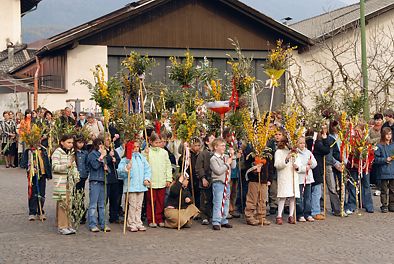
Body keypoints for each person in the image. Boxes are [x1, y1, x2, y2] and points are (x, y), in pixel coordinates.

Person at [118, 140, 151, 232]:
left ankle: (138, 221)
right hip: (131, 186)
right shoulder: (126, 159)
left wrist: (147, 178)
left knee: (139, 205)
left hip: (141, 186)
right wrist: (126, 169)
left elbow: (147, 169)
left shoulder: (141, 158)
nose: (136, 149)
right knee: (132, 205)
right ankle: (131, 222)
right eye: (134, 147)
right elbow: (120, 171)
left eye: (137, 147)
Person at [52, 134, 79, 235]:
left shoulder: (71, 153)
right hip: (60, 182)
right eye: (68, 142)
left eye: (72, 143)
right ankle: (62, 226)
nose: (71, 144)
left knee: (69, 204)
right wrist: (66, 166)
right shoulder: (57, 153)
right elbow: (54, 167)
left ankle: (68, 224)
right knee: (62, 204)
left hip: (69, 181)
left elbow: (74, 166)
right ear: (62, 142)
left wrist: (76, 176)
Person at [143, 132, 172, 228]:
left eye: (159, 142)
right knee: (150, 201)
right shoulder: (147, 152)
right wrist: (144, 152)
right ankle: (151, 219)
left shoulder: (164, 152)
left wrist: (168, 179)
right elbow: (143, 164)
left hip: (162, 181)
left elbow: (168, 166)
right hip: (151, 181)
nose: (158, 144)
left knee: (160, 201)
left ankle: (159, 218)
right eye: (156, 142)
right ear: (150, 142)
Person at [210, 137, 236, 230]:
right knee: (218, 202)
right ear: (216, 147)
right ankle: (216, 221)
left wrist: (232, 156)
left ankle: (223, 219)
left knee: (226, 202)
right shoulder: (213, 159)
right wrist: (226, 164)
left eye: (225, 145)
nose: (224, 147)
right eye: (222, 146)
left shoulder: (225, 157)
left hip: (226, 183)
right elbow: (218, 171)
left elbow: (233, 166)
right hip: (218, 183)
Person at [274, 131, 300, 225]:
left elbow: (298, 161)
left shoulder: (294, 151)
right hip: (284, 176)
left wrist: (297, 166)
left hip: (293, 174)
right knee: (283, 196)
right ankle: (279, 215)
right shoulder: (279, 151)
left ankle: (291, 215)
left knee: (293, 196)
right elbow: (277, 164)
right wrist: (286, 158)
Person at [87, 138, 111, 232]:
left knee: (102, 204)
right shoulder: (92, 154)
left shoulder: (103, 155)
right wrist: (101, 157)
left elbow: (108, 169)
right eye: (100, 145)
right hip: (95, 181)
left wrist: (106, 167)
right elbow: (95, 166)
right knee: (93, 204)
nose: (102, 147)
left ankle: (103, 223)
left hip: (103, 181)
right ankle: (92, 224)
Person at [306, 128, 330, 221]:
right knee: (316, 191)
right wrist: (325, 139)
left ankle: (309, 210)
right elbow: (326, 150)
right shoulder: (315, 143)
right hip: (316, 169)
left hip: (310, 169)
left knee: (309, 191)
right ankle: (315, 211)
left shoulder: (306, 142)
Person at [25, 144, 52, 221]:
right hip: (33, 175)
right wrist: (30, 168)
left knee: (42, 193)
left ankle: (40, 211)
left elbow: (47, 162)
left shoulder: (43, 150)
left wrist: (49, 174)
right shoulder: (29, 150)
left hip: (42, 175)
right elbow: (24, 163)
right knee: (33, 193)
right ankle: (32, 212)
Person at [244, 156, 272, 226]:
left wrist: (269, 179)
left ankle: (261, 216)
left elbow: (270, 167)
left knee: (262, 199)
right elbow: (247, 165)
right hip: (254, 180)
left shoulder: (267, 154)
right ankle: (249, 216)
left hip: (264, 180)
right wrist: (254, 169)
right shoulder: (251, 154)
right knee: (252, 199)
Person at [295, 136, 317, 222]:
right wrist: (304, 168)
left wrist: (311, 164)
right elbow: (297, 166)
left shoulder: (308, 152)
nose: (302, 145)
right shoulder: (296, 153)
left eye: (303, 143)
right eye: (300, 143)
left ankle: (307, 213)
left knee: (308, 197)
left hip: (308, 179)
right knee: (299, 197)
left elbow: (315, 163)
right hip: (300, 179)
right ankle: (300, 214)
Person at [195, 134, 215, 225]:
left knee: (213, 198)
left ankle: (213, 215)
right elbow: (199, 167)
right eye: (211, 138)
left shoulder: (217, 153)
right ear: (207, 142)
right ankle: (204, 216)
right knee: (205, 199)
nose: (214, 139)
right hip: (206, 178)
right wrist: (203, 178)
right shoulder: (203, 154)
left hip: (215, 179)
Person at [374, 127, 394, 213]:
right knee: (384, 190)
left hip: (392, 171)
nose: (389, 136)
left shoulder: (393, 145)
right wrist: (385, 160)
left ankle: (392, 205)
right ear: (383, 135)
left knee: (393, 190)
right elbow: (375, 159)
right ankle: (384, 205)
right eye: (387, 134)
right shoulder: (379, 146)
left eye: (390, 134)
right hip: (383, 171)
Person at [104, 134, 121, 223]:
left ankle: (114, 216)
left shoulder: (113, 151)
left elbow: (119, 161)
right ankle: (102, 217)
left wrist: (116, 160)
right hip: (106, 178)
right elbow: (103, 161)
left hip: (114, 177)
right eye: (107, 140)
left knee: (114, 199)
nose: (109, 141)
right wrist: (110, 157)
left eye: (110, 140)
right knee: (104, 199)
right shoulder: (102, 151)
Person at [74, 136, 89, 224]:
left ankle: (81, 215)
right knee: (74, 194)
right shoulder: (73, 153)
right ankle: (74, 213)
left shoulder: (85, 153)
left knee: (81, 195)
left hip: (82, 176)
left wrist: (86, 173)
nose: (80, 144)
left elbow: (87, 164)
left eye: (82, 143)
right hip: (74, 176)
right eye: (79, 142)